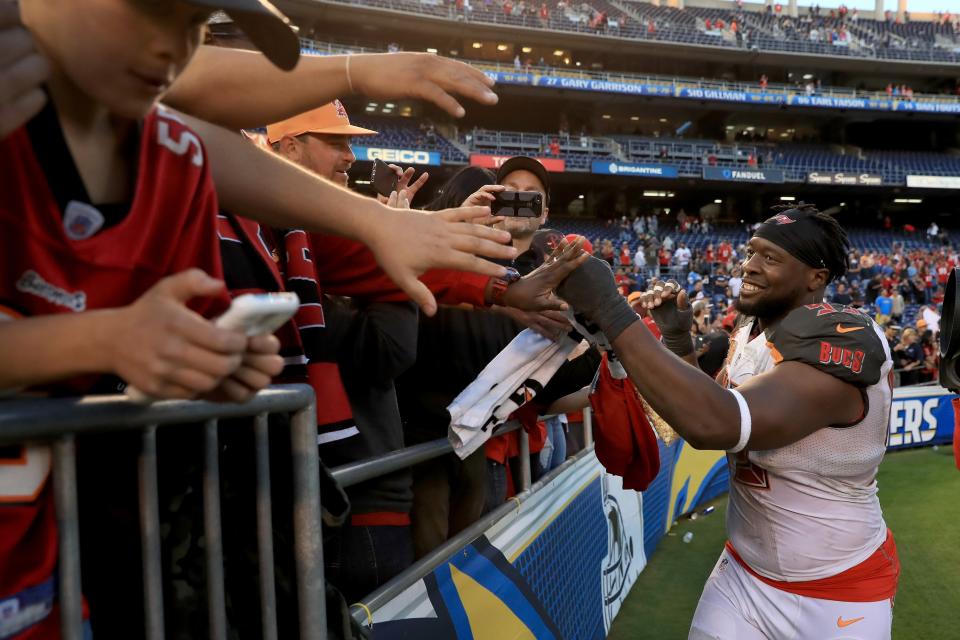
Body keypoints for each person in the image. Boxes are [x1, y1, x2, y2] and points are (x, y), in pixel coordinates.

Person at [0, 0, 299, 635]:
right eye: (152, 11)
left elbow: (171, 343)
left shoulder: (178, 159)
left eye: (194, 23)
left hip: (43, 586)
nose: (175, 47)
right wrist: (104, 338)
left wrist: (208, 362)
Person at [555, 205, 898, 639]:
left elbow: (716, 423)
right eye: (752, 252)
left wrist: (612, 309)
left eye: (770, 258)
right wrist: (679, 341)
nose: (749, 266)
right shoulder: (749, 332)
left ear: (816, 277)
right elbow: (694, 410)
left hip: (837, 588)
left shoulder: (844, 336)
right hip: (743, 574)